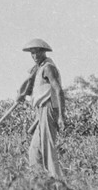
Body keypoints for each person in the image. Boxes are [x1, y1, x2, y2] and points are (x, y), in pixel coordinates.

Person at [17, 38, 64, 179]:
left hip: (48, 109)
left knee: (48, 149)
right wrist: (22, 94)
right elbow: (31, 84)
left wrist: (61, 116)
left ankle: (58, 183)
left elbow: (58, 90)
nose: (35, 56)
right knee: (34, 150)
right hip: (40, 111)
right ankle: (39, 182)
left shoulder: (48, 67)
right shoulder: (39, 68)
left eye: (37, 52)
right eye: (32, 53)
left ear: (43, 52)